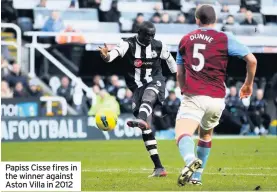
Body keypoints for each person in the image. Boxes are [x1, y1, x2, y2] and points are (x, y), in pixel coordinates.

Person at [175, 5, 257, 186]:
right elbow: (252, 60)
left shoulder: (185, 39)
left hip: (195, 95)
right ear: (215, 20)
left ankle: (190, 162)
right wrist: (248, 84)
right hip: (217, 99)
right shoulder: (225, 38)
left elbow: (179, 73)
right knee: (205, 136)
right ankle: (197, 178)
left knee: (183, 133)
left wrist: (183, 90)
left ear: (197, 20)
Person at [98, 21, 177, 177]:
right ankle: (159, 167)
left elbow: (170, 60)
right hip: (136, 89)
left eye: (152, 35)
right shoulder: (128, 44)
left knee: (149, 95)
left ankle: (141, 118)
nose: (150, 38)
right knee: (146, 128)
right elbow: (112, 55)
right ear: (139, 32)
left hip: (156, 81)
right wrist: (106, 56)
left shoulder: (159, 45)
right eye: (147, 35)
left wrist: (178, 76)